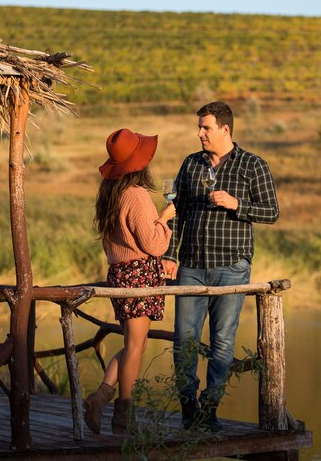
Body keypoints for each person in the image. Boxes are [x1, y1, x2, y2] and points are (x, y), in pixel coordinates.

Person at [162, 101, 279, 432]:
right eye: (199, 127)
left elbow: (272, 212)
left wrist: (236, 204)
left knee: (223, 342)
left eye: (206, 127)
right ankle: (188, 408)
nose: (199, 133)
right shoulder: (192, 164)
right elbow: (178, 210)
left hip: (232, 267)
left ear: (225, 130)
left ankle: (209, 410)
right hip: (192, 266)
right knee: (183, 339)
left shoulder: (253, 165)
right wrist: (171, 256)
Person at [84, 128, 175, 435]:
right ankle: (124, 413)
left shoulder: (111, 193)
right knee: (136, 346)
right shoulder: (136, 195)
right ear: (140, 163)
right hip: (139, 276)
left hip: (120, 274)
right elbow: (154, 244)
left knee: (130, 345)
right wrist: (165, 218)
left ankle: (101, 396)